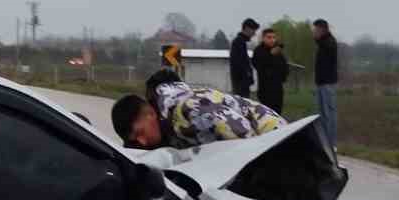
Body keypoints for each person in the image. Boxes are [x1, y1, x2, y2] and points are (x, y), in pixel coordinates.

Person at [112, 69, 283, 150]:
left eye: (139, 133)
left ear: (150, 114)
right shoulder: (171, 123)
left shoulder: (187, 110)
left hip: (278, 142)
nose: (141, 141)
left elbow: (247, 143)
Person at [311, 19, 339, 148]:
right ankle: (325, 142)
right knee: (323, 115)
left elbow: (324, 47)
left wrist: (318, 39)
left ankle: (331, 143)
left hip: (327, 83)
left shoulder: (329, 43)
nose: (313, 32)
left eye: (315, 29)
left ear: (322, 30)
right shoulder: (324, 42)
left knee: (329, 114)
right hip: (322, 83)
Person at [251, 27, 290, 114]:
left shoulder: (278, 51)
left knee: (278, 114)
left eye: (274, 37)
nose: (272, 40)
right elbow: (258, 65)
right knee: (267, 115)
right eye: (269, 37)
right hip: (265, 90)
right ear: (263, 38)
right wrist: (270, 55)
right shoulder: (258, 51)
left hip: (278, 89)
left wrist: (284, 75)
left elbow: (284, 66)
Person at [229, 18, 259, 98]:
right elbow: (239, 64)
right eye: (253, 30)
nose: (254, 33)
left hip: (242, 83)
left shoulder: (241, 42)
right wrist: (247, 76)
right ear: (247, 28)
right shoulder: (238, 42)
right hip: (240, 84)